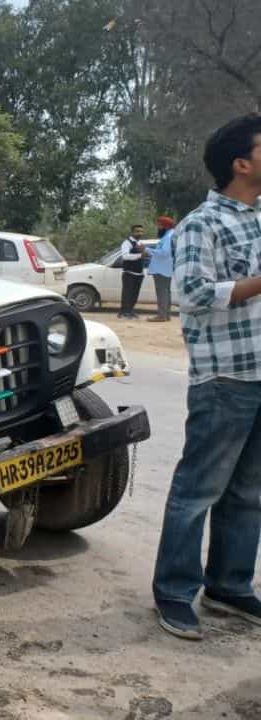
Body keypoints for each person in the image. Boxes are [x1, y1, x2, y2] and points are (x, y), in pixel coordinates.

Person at [152, 113, 261, 641]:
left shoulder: (259, 219)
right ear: (241, 164)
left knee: (250, 492)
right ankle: (174, 593)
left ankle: (230, 585)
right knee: (198, 491)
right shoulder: (203, 223)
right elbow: (193, 295)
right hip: (225, 377)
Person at [147, 215, 176, 322]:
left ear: (165, 226)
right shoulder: (170, 235)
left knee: (162, 292)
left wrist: (147, 250)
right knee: (166, 292)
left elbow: (164, 253)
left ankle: (161, 315)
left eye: (159, 225)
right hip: (165, 268)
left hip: (161, 268)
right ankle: (166, 315)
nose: (158, 228)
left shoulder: (168, 237)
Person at [117, 224, 149, 319]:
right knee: (127, 294)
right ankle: (123, 312)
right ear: (132, 232)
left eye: (141, 231)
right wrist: (140, 255)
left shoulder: (140, 243)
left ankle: (130, 311)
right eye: (137, 231)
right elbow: (125, 256)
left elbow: (143, 256)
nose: (140, 233)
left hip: (139, 273)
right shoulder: (127, 243)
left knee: (135, 294)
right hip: (129, 273)